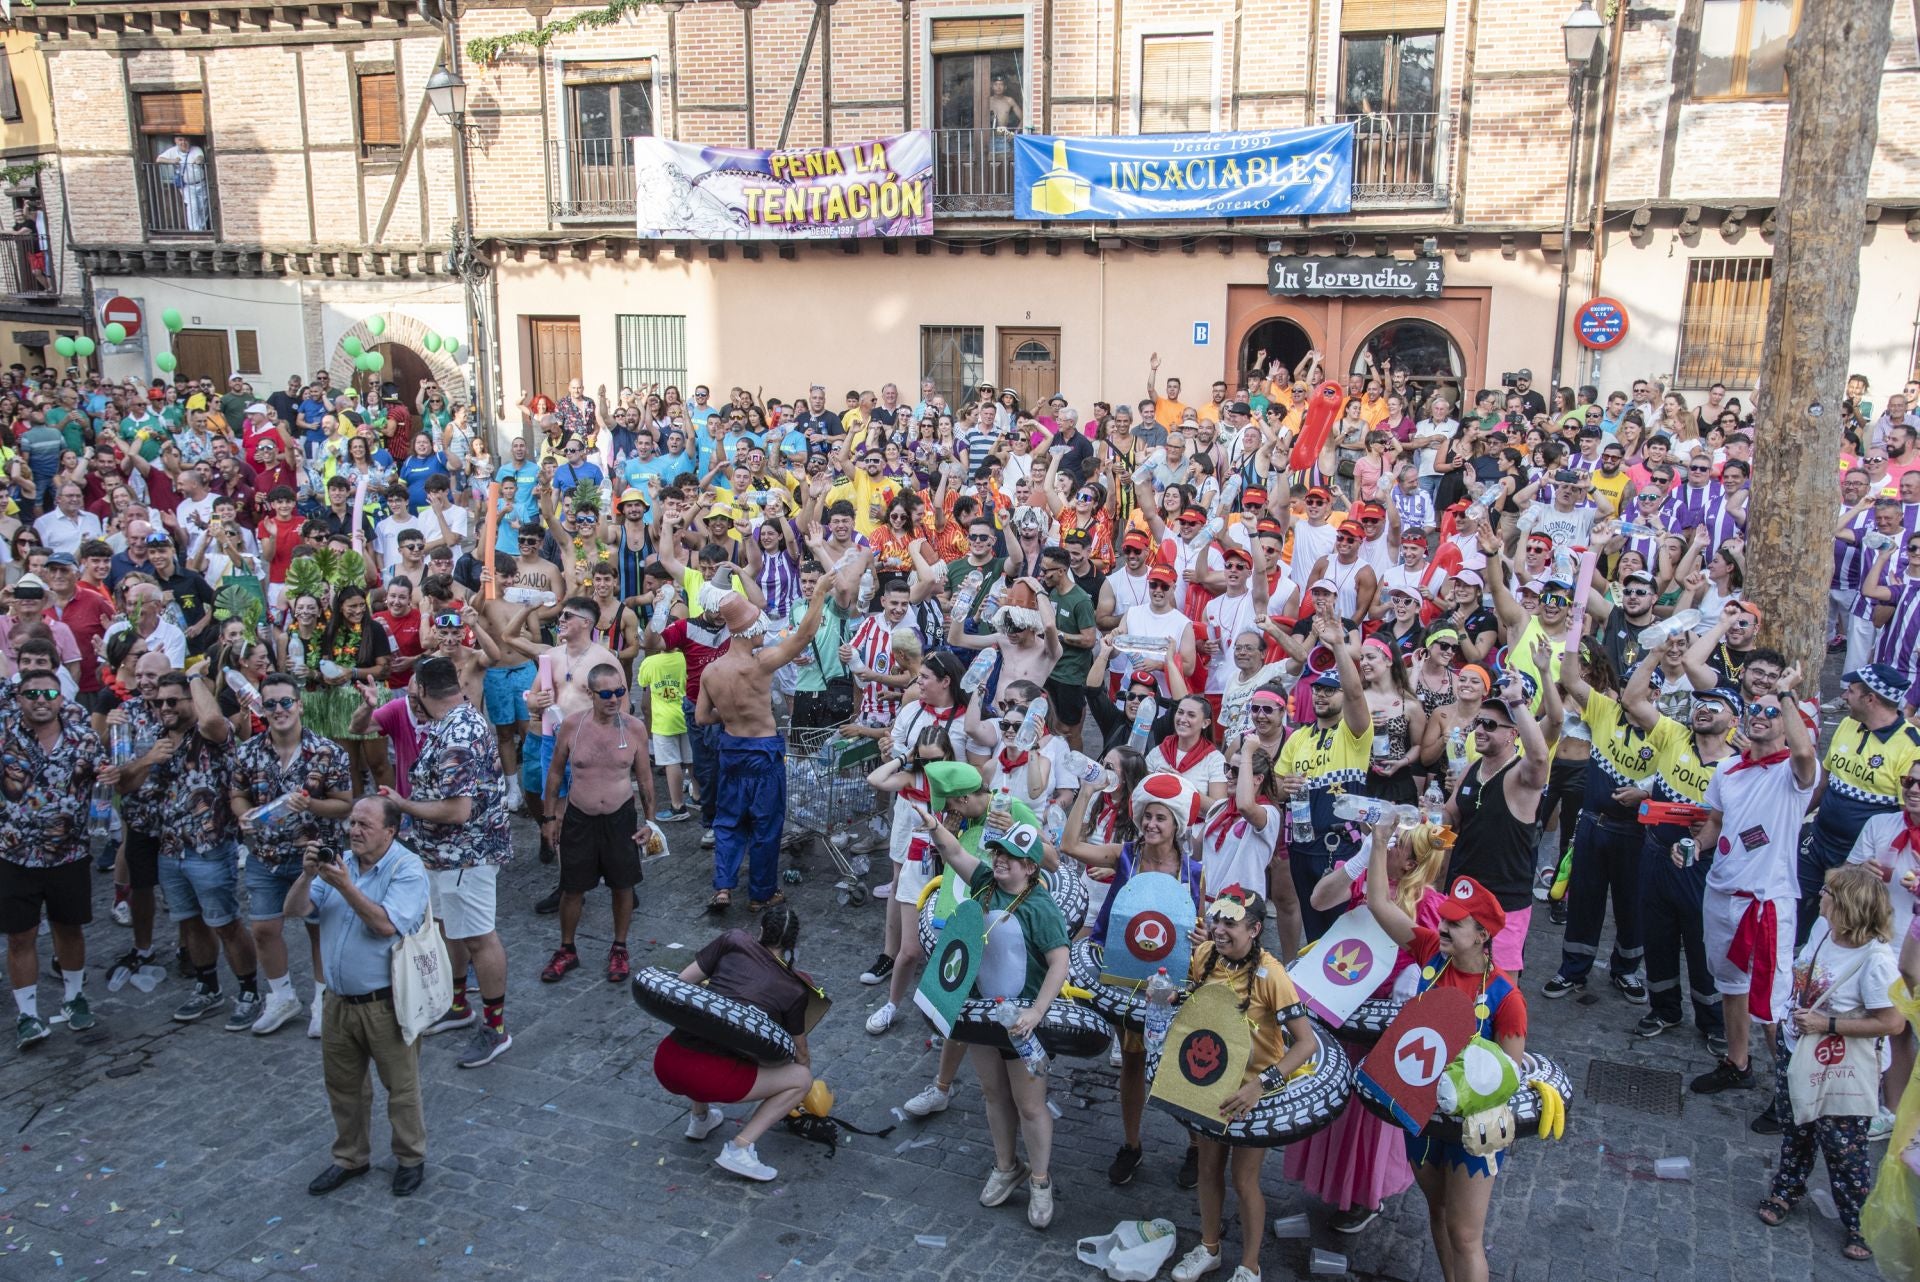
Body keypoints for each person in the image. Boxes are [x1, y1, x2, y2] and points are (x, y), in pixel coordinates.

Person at [1363, 866, 1526, 1282]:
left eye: (1456, 922)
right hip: (1420, 1121)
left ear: (1482, 935)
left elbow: (1507, 1079)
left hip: (1472, 1132)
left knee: (1466, 1235)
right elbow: (1379, 904)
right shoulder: (1431, 950)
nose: (1443, 926)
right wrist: (1378, 844)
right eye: (1445, 918)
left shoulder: (1507, 999)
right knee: (1437, 1211)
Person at [913, 813, 1071, 1228]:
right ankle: (1006, 1167)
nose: (1000, 860)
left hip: (1021, 1025)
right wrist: (933, 824)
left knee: (1031, 1106)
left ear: (1030, 867)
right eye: (999, 852)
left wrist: (1036, 1012)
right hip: (981, 1014)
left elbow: (1060, 962)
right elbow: (953, 852)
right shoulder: (984, 881)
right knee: (992, 1093)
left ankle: (1039, 1180)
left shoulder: (1041, 907)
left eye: (1011, 857)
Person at [1755, 864, 1904, 1263]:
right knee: (1796, 1129)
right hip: (1799, 1052)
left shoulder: (1876, 961)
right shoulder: (1824, 930)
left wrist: (1828, 1024)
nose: (1819, 896)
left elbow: (1892, 1021)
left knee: (1844, 1147)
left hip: (1838, 1066)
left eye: (1828, 892)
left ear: (1847, 906)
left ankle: (1860, 1222)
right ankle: (1787, 1190)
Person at [1167, 886, 1316, 1282]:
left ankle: (1250, 1265)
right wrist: (1170, 996)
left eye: (1230, 923)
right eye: (1216, 919)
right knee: (1209, 1166)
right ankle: (1209, 1247)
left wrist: (1258, 1088)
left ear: (1253, 929)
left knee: (1244, 1179)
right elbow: (1193, 1003)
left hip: (1253, 1091)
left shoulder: (1273, 975)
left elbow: (1306, 1043)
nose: (1219, 929)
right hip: (1212, 1083)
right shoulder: (1202, 956)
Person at [285, 795, 431, 1198]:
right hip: (337, 1002)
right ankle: (350, 1157)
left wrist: (345, 887)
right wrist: (305, 876)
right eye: (352, 823)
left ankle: (410, 1158)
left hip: (385, 1003)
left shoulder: (407, 869)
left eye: (365, 825)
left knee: (400, 1089)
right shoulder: (339, 864)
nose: (354, 831)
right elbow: (295, 910)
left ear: (391, 830)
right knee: (343, 1087)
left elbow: (385, 925)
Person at [1687, 671, 1820, 1106]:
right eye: (1754, 709)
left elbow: (1803, 750)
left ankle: (1790, 1092)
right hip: (1722, 891)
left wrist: (1785, 695)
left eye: (1771, 712)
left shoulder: (1794, 773)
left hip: (1766, 902)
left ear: (1785, 720)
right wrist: (1695, 844)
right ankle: (1738, 1064)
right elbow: (1717, 824)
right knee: (1731, 985)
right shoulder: (1727, 768)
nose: (1760, 716)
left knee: (1772, 1003)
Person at [376, 656, 513, 1069]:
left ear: (417, 688)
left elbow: (457, 811)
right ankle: (457, 1006)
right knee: (451, 930)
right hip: (446, 855)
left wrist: (402, 805)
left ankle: (496, 1027)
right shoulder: (453, 721)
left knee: (478, 937)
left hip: (466, 856)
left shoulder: (458, 732)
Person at [116, 669, 263, 1030]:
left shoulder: (212, 734)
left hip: (211, 845)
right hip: (170, 845)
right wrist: (147, 759)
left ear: (190, 700)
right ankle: (207, 985)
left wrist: (195, 675)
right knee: (190, 922)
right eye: (157, 702)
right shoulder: (155, 736)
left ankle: (249, 991)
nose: (163, 707)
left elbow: (212, 717)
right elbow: (127, 785)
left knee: (225, 922)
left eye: (171, 701)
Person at [694, 576, 831, 911]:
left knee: (728, 821)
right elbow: (805, 635)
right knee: (766, 825)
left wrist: (729, 716)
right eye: (759, 625)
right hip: (763, 752)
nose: (763, 632)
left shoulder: (712, 670)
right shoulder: (761, 662)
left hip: (731, 749)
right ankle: (761, 893)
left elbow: (701, 718)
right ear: (748, 628)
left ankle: (724, 887)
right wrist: (821, 593)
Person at [228, 670, 353, 1036]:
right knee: (264, 929)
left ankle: (321, 1000)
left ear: (299, 705)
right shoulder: (248, 752)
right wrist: (243, 815)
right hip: (266, 855)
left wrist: (310, 804)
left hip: (314, 856)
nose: (279, 709)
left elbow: (344, 805)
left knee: (318, 930)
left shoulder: (329, 752)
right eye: (271, 704)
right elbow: (238, 795)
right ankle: (281, 996)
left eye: (286, 702)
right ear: (261, 708)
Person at [659, 906, 817, 1183]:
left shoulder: (732, 939)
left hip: (668, 1061)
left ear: (759, 931)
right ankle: (740, 1148)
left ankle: (700, 1120)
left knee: (708, 1024)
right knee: (801, 1078)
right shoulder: (794, 989)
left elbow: (682, 984)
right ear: (793, 946)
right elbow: (800, 1052)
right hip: (712, 1080)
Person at [1, 669, 111, 1051]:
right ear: (18, 700)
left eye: (48, 692)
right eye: (31, 694)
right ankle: (27, 1014)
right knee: (20, 936)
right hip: (15, 854)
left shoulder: (83, 738)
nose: (40, 700)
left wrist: (111, 777)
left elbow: (103, 782)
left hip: (70, 853)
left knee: (69, 929)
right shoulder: (5, 738)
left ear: (61, 698)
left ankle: (74, 997)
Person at [539, 663, 654, 985]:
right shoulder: (572, 726)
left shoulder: (633, 728)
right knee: (572, 887)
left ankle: (620, 946)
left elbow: (645, 778)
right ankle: (567, 948)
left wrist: (652, 822)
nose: (615, 699)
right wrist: (549, 817)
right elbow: (556, 773)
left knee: (623, 884)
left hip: (620, 817)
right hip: (580, 816)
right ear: (591, 694)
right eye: (606, 693)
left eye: (620, 692)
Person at [1443, 670, 1550, 975]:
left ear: (1512, 734)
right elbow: (1452, 816)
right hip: (1463, 893)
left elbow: (1540, 758)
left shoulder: (1522, 775)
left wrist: (1517, 701)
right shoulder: (1472, 768)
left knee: (1499, 987)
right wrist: (1433, 836)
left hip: (1504, 901)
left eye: (1490, 725)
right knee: (1457, 979)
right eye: (1478, 722)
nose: (1480, 730)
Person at [1276, 614, 1371, 941]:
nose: (1320, 695)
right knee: (1314, 932)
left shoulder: (1354, 732)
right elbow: (1276, 787)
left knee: (1342, 934)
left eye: (1330, 691)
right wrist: (1283, 787)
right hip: (1301, 844)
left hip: (1340, 844)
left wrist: (1340, 647)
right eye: (1317, 689)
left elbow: (1357, 695)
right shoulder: (1297, 737)